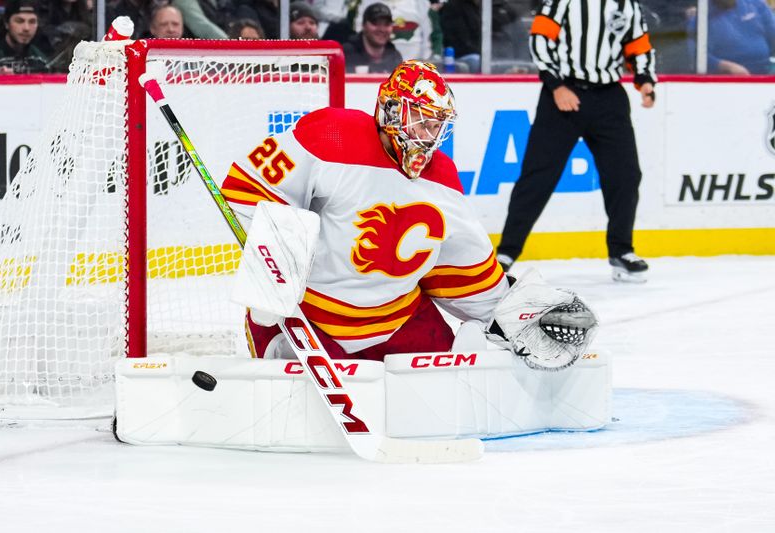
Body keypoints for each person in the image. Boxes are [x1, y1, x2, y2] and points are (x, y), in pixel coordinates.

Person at [219, 60, 597, 369]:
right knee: (285, 383)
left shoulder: (443, 178)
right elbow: (253, 185)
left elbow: (463, 262)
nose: (429, 135)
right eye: (421, 120)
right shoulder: (332, 135)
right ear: (391, 109)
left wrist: (513, 310)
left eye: (437, 125)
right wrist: (272, 272)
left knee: (455, 373)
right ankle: (281, 343)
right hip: (311, 317)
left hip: (397, 321)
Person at [496, 0, 657, 283]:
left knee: (625, 174)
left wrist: (645, 80)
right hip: (563, 92)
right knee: (537, 176)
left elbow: (638, 42)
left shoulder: (626, 3)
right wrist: (556, 85)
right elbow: (540, 39)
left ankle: (621, 250)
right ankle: (507, 252)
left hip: (609, 96)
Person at [687, 0, 775, 74]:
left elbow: (772, 35)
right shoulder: (701, 17)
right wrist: (727, 66)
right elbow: (695, 55)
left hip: (766, 70)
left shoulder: (756, 4)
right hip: (726, 79)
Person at [0, 0, 48, 73]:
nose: (26, 28)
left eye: (32, 22)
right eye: (19, 21)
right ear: (6, 23)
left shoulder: (40, 60)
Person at [355, 0, 433, 61]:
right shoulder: (367, 2)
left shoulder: (420, 3)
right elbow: (359, 31)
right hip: (379, 64)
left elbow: (429, 34)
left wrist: (425, 59)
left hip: (414, 63)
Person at [342, 2, 403, 73]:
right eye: (376, 23)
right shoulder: (346, 54)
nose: (382, 29)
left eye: (387, 24)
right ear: (363, 26)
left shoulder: (394, 57)